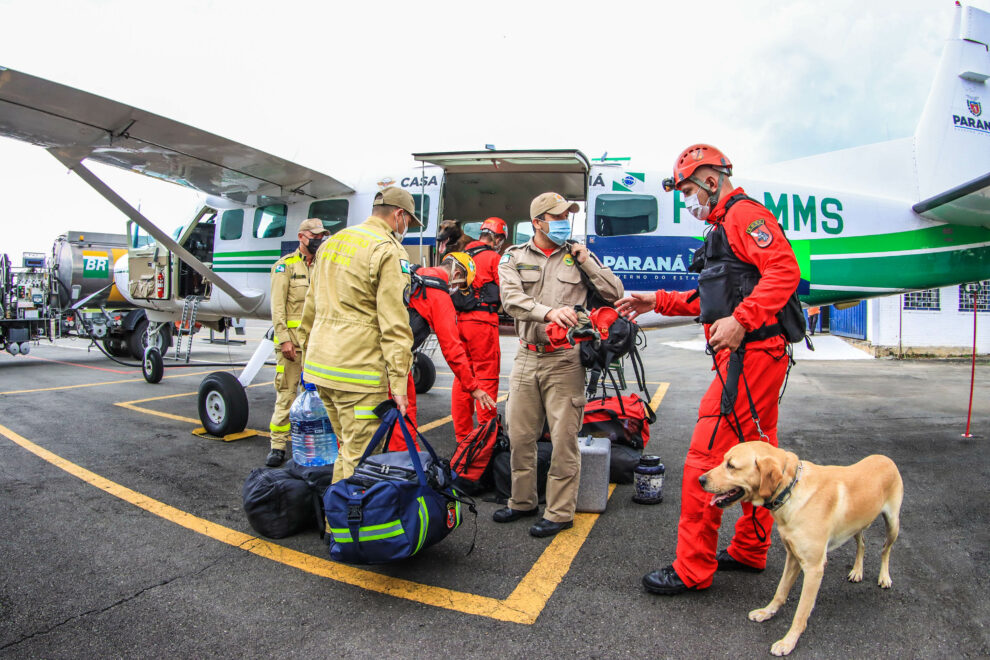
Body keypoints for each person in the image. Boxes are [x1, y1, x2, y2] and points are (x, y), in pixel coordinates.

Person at [616, 144, 801, 595]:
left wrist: (741, 321)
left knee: (705, 461)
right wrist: (655, 300)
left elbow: (784, 269)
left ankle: (692, 568)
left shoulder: (742, 216)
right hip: (760, 357)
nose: (687, 201)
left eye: (688, 192)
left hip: (751, 359)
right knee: (764, 462)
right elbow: (715, 300)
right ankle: (750, 550)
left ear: (711, 181)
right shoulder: (725, 225)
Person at [495, 192, 623, 537]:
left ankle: (560, 512)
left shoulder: (579, 256)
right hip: (526, 356)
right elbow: (511, 300)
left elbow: (615, 293)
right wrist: (548, 312)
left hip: (566, 360)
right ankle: (521, 502)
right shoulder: (514, 256)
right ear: (537, 223)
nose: (565, 220)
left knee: (565, 440)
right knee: (520, 436)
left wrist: (588, 261)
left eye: (568, 214)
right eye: (557, 216)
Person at [297, 187, 417, 483]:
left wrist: (305, 357)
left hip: (321, 368)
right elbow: (395, 324)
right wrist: (399, 383)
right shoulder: (387, 250)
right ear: (398, 215)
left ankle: (334, 522)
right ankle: (344, 526)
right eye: (409, 222)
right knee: (361, 457)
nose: (407, 229)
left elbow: (309, 309)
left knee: (347, 449)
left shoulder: (331, 243)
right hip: (358, 375)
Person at [390, 252, 497, 450]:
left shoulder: (413, 276)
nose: (457, 289)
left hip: (368, 354)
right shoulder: (438, 295)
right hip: (395, 365)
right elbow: (452, 349)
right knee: (405, 419)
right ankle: (405, 469)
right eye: (461, 283)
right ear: (456, 273)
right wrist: (473, 387)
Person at [265, 217, 329, 467]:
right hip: (292, 345)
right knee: (287, 394)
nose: (319, 240)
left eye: (321, 236)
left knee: (315, 397)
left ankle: (309, 441)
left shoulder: (322, 266)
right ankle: (278, 445)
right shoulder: (286, 267)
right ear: (302, 237)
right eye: (314, 236)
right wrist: (284, 341)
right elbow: (277, 308)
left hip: (317, 345)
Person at [450, 217, 506, 442]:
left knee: (463, 377)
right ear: (498, 238)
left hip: (457, 323)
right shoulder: (494, 258)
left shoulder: (460, 258)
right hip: (482, 325)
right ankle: (486, 433)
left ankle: (462, 436)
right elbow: (507, 293)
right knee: (487, 376)